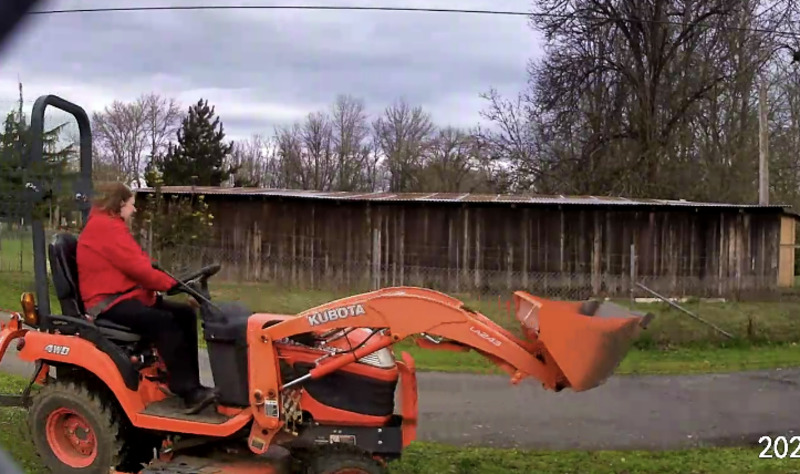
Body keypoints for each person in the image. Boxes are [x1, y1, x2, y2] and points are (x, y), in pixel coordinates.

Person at [76, 182, 215, 411]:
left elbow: (141, 263)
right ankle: (187, 389)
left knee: (185, 314)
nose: (134, 210)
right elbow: (138, 269)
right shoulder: (105, 228)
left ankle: (188, 385)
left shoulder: (110, 226)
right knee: (163, 322)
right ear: (120, 203)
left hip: (125, 296)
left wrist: (173, 282)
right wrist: (171, 284)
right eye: (132, 204)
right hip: (108, 303)